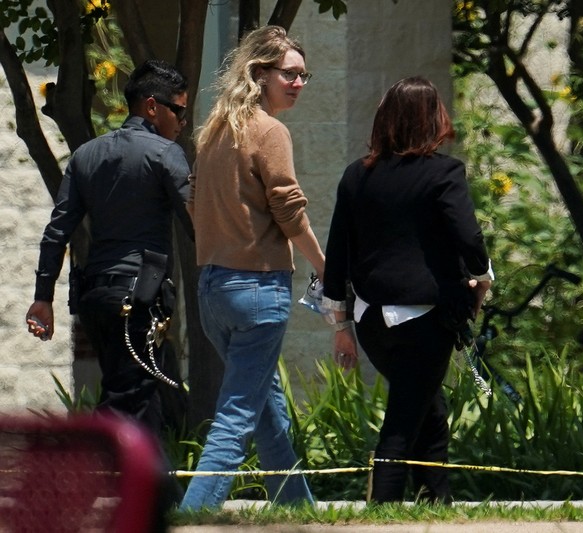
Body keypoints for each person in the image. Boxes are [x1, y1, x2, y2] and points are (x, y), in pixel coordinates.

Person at [322, 76, 493, 504]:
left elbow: (337, 253)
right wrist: (483, 278)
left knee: (428, 408)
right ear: (432, 119)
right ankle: (382, 510)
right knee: (401, 424)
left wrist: (339, 325)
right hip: (424, 319)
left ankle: (437, 499)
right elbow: (469, 238)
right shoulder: (444, 172)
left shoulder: (355, 176)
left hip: (371, 321)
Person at [179, 26, 324, 511]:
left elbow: (193, 204)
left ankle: (298, 511)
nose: (299, 83)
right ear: (259, 73)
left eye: (304, 75)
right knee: (238, 416)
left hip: (213, 290)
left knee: (266, 411)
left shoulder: (214, 129)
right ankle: (193, 515)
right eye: (290, 74)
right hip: (258, 289)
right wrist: (326, 268)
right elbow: (290, 213)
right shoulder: (269, 130)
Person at [26, 59, 194, 437]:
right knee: (127, 399)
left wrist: (43, 297)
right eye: (179, 110)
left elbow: (57, 232)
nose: (182, 121)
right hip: (139, 298)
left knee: (146, 397)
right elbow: (197, 223)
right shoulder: (166, 154)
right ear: (152, 106)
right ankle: (73, 474)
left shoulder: (85, 155)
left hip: (96, 298)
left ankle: (156, 493)